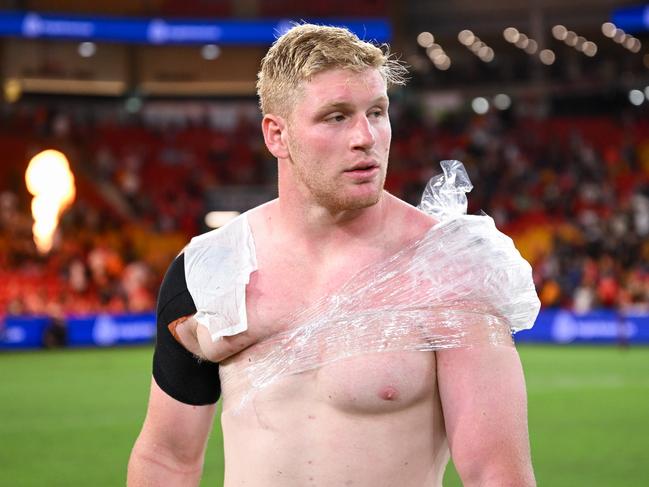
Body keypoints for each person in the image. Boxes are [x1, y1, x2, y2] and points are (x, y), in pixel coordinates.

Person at [128, 24, 536, 486]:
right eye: (336, 116)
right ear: (276, 135)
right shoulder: (208, 268)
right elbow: (167, 459)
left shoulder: (449, 268)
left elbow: (496, 474)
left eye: (377, 112)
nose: (366, 136)